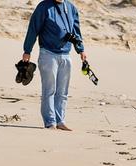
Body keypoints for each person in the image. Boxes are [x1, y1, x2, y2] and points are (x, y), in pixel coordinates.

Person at [22, 0, 87, 131]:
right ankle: (50, 122)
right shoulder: (44, 7)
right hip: (48, 53)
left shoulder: (71, 8)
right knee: (49, 90)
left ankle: (60, 121)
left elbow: (76, 30)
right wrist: (27, 50)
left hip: (66, 55)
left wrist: (80, 49)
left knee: (62, 92)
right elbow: (33, 29)